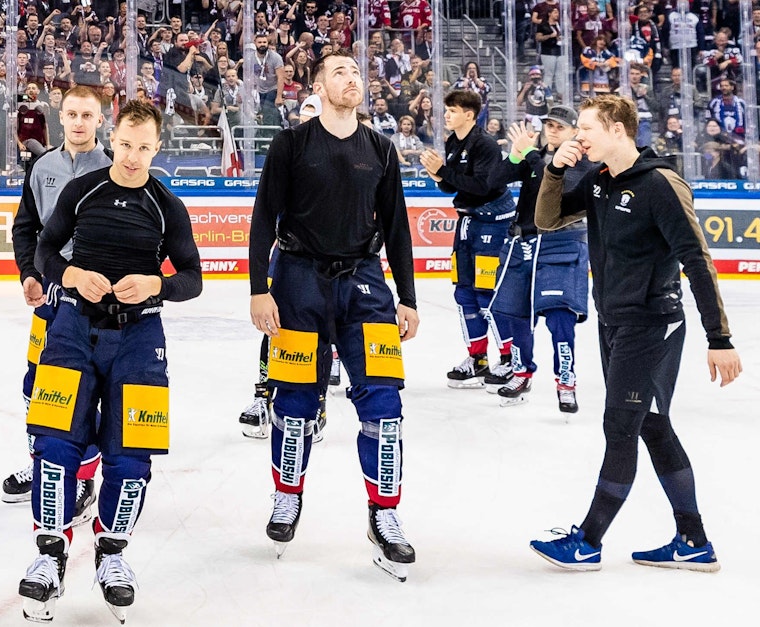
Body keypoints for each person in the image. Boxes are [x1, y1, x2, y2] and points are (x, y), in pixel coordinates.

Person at [528, 94, 741, 573]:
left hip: (652, 323)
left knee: (620, 427)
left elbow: (697, 260)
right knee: (651, 424)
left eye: (586, 129)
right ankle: (694, 540)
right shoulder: (601, 181)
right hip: (616, 322)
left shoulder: (661, 185)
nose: (577, 137)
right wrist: (555, 171)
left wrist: (719, 338)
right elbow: (546, 220)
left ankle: (588, 541)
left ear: (617, 130)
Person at [16, 99, 203, 623]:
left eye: (144, 148)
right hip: (73, 326)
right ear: (112, 139)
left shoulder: (166, 204)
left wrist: (156, 285)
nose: (132, 156)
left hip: (141, 335)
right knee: (55, 442)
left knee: (131, 455)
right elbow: (45, 252)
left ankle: (112, 555)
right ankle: (48, 554)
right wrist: (69, 277)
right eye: (125, 145)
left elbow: (193, 277)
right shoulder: (83, 189)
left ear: (157, 148)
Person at [250, 51, 420, 582]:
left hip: (366, 284)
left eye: (356, 72)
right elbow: (262, 219)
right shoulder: (291, 144)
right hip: (299, 280)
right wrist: (261, 290)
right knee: (296, 401)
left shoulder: (381, 148)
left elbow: (397, 228)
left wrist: (408, 298)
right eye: (341, 72)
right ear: (319, 86)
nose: (353, 78)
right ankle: (287, 497)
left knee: (385, 404)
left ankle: (384, 512)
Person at [0, 85, 112, 509]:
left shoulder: (113, 166)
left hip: (94, 296)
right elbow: (25, 227)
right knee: (38, 382)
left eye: (88, 115)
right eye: (72, 114)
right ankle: (44, 461)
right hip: (50, 290)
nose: (80, 122)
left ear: (100, 120)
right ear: (60, 117)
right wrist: (29, 272)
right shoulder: (42, 166)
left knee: (82, 387)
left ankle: (83, 474)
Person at [489, 106, 589, 412]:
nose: (552, 129)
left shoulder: (583, 161)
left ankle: (566, 380)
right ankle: (521, 373)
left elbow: (559, 187)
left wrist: (530, 154)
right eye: (549, 124)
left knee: (560, 316)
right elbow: (493, 181)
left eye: (560, 126)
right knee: (512, 312)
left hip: (561, 242)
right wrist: (516, 156)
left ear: (574, 131)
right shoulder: (536, 154)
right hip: (522, 242)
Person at [423, 90, 515, 392]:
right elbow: (453, 187)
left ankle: (509, 358)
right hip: (468, 223)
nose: (447, 114)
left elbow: (481, 186)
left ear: (470, 115)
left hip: (493, 226)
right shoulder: (453, 142)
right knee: (464, 293)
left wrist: (443, 172)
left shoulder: (485, 145)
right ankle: (477, 358)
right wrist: (439, 177)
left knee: (487, 293)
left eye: (453, 110)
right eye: (447, 109)